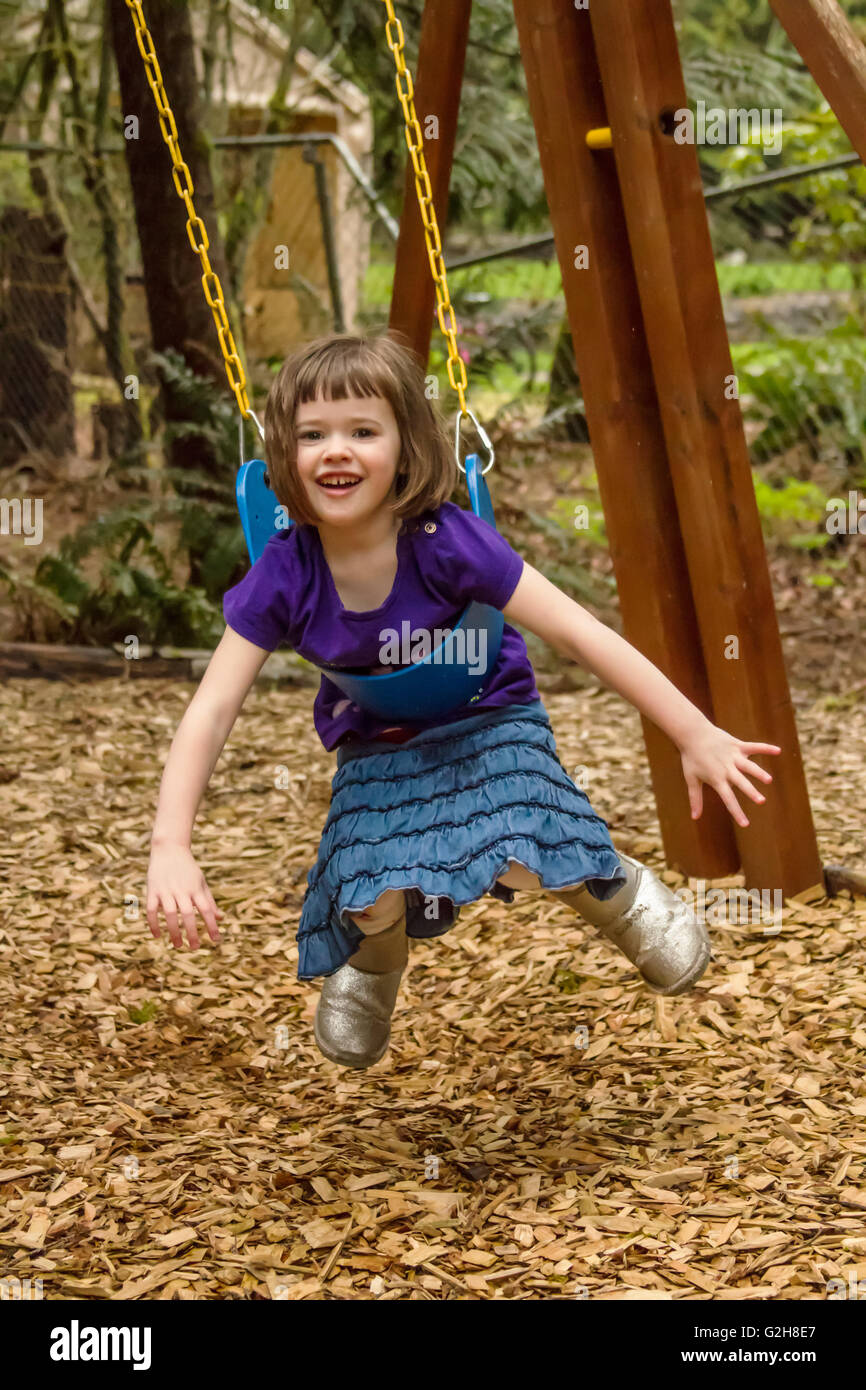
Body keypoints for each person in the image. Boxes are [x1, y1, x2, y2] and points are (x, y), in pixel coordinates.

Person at [146, 331, 780, 1070]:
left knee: (521, 845)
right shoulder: (285, 573)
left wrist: (693, 732)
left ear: (408, 446)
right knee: (364, 884)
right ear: (283, 455)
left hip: (488, 715)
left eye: (362, 431)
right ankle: (377, 960)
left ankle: (620, 894)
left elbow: (580, 632)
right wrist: (171, 845)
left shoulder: (449, 540)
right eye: (312, 434)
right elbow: (212, 710)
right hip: (379, 739)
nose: (336, 451)